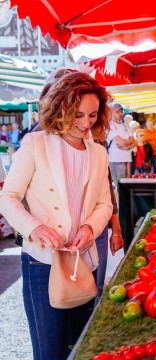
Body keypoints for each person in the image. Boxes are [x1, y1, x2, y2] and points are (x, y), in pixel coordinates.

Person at [0, 71, 113, 360]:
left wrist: (90, 227)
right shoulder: (35, 144)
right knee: (49, 351)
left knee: (80, 348)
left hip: (83, 261)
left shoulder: (98, 152)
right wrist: (34, 228)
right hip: (42, 262)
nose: (86, 123)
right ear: (60, 108)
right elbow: (8, 197)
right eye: (78, 114)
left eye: (92, 115)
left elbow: (105, 204)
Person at [106, 103, 137, 184]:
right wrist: (129, 142)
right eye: (117, 111)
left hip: (127, 160)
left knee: (125, 187)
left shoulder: (125, 126)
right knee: (120, 187)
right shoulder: (110, 126)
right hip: (116, 160)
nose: (120, 113)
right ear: (111, 113)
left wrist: (128, 147)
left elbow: (135, 142)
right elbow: (123, 143)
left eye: (121, 111)